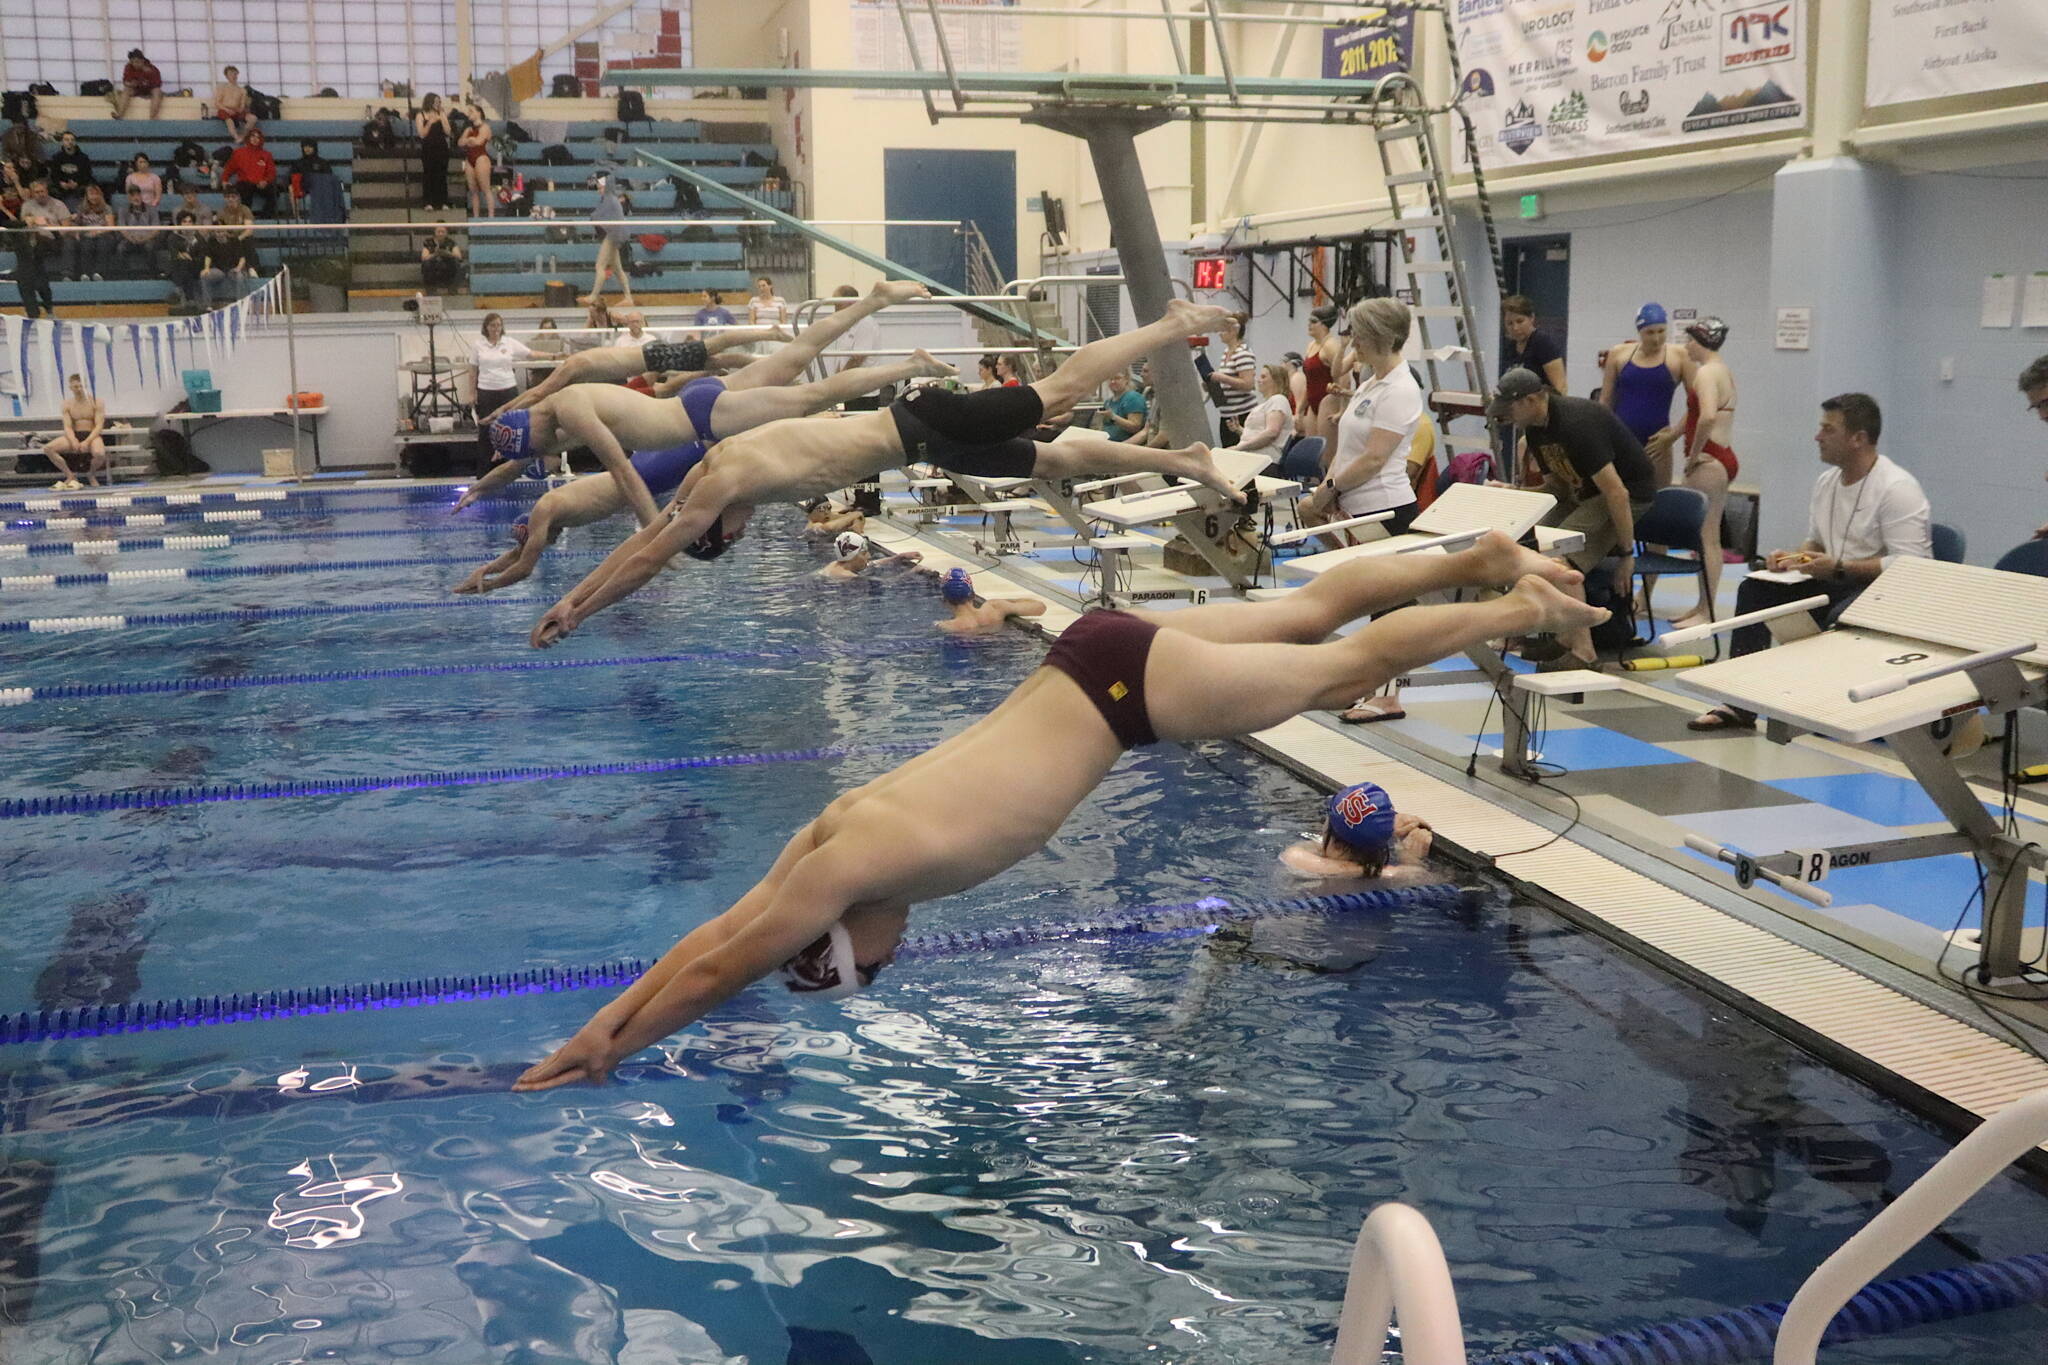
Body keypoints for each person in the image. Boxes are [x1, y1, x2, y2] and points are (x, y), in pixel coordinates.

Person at [510, 530, 1603, 1090]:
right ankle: (1481, 557)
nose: (893, 959)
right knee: (1311, 611)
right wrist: (604, 1026)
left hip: (1118, 694)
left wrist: (616, 1048)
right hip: (1092, 654)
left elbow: (724, 966)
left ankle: (1516, 600)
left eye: (874, 968)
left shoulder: (859, 868)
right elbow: (716, 937)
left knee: (1333, 669)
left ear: (848, 946)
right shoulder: (840, 835)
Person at [527, 299, 1249, 643]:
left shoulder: (721, 486)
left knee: (1057, 395)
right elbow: (644, 537)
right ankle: (1181, 459)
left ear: (719, 524)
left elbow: (653, 553)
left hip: (924, 423)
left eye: (732, 536)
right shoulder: (704, 480)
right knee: (1051, 460)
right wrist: (574, 600)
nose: (745, 532)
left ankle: (1167, 323)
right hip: (924, 442)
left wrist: (579, 610)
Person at [1690, 394, 1931, 732]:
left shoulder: (1897, 488)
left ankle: (1833, 707)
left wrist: (1838, 567)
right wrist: (1793, 559)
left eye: (1827, 430)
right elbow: (1815, 541)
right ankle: (1739, 703)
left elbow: (1910, 566)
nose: (1818, 437)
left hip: (1885, 592)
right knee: (1755, 589)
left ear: (1858, 439)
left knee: (1839, 615)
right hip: (1836, 577)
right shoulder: (1827, 482)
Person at [1296, 298, 1427, 721]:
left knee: (1392, 612)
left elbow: (1373, 459)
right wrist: (1327, 491)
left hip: (1387, 510)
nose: (1354, 345)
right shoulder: (1372, 382)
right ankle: (1374, 688)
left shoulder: (1402, 389)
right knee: (1376, 606)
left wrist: (1328, 491)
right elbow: (1348, 447)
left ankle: (1388, 697)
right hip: (1358, 507)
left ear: (1381, 339)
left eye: (1361, 338)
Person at [1490, 364, 1659, 673]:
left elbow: (1617, 493)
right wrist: (1514, 491)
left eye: (1508, 408)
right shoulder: (1536, 428)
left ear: (1531, 400)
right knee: (1526, 541)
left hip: (1629, 493)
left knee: (1560, 554)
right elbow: (1556, 487)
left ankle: (1583, 649)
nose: (1504, 416)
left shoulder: (1577, 423)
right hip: (1588, 494)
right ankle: (1559, 633)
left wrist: (1626, 556)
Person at [453, 441, 716, 594]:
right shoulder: (549, 517)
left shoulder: (545, 509)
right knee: (707, 443)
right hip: (644, 475)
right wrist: (484, 570)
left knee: (708, 441)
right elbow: (517, 555)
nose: (550, 545)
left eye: (542, 543)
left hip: (646, 474)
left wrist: (488, 586)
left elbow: (524, 567)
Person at [1668, 317, 1738, 629]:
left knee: (1708, 538)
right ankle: (1701, 605)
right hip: (1722, 457)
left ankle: (1706, 611)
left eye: (1690, 340)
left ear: (1701, 341)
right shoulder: (1721, 369)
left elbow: (1707, 416)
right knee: (1704, 538)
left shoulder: (1706, 373)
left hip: (1709, 460)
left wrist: (1694, 455)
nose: (1686, 347)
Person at [1600, 303, 1693, 487]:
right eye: (1650, 332)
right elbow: (1605, 401)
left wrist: (1673, 436)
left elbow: (1697, 405)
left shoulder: (1680, 356)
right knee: (1617, 497)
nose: (1657, 339)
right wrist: (1602, 438)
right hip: (1621, 439)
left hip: (1657, 442)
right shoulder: (1619, 354)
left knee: (1657, 498)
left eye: (1661, 331)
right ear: (1639, 331)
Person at [1279, 782, 1434, 884]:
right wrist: (1411, 861)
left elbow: (1294, 856)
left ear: (1337, 845)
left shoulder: (1302, 861)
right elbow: (1419, 876)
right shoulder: (1393, 875)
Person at [466, 313, 534, 459]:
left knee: (512, 428)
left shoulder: (509, 342)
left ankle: (511, 465)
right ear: (486, 327)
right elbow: (472, 371)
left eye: (498, 325)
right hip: (486, 392)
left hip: (508, 391)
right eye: (492, 325)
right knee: (486, 430)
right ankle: (485, 469)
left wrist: (554, 356)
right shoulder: (478, 345)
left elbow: (530, 354)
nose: (496, 328)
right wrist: (471, 393)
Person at [932, 566, 1046, 634]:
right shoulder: (995, 608)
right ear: (973, 594)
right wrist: (1008, 601)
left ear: (945, 600)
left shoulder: (946, 626)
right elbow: (1040, 607)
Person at [43, 374, 107, 490]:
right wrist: (73, 440)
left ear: (85, 386)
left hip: (92, 434)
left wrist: (87, 441)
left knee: (100, 453)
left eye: (81, 386)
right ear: (70, 388)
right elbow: (67, 426)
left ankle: (91, 474)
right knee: (48, 448)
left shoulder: (97, 402)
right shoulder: (67, 404)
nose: (78, 389)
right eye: (76, 387)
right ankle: (70, 475)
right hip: (75, 434)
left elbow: (99, 426)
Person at [585, 173, 634, 309]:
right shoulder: (609, 199)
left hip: (614, 235)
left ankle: (594, 295)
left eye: (600, 187)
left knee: (600, 266)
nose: (598, 190)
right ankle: (628, 297)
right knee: (617, 269)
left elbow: (596, 215)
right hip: (615, 234)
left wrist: (592, 217)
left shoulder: (610, 199)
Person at [1501, 295, 1565, 394]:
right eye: (1510, 323)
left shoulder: (1542, 342)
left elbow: (1560, 386)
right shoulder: (1510, 346)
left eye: (1520, 321)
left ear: (1531, 318)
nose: (1515, 328)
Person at [1301, 303, 1345, 448]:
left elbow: (1344, 377)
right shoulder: (1311, 346)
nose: (1309, 325)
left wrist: (1342, 410)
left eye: (1313, 322)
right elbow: (1309, 382)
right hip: (1313, 403)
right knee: (1310, 450)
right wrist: (1300, 409)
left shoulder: (1331, 346)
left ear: (1324, 325)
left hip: (1329, 402)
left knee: (1326, 453)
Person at [1229, 364, 1294, 459]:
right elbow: (1258, 433)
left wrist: (1239, 448)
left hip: (1264, 459)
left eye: (1263, 377)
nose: (1258, 380)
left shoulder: (1278, 400)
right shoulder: (1268, 403)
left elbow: (1272, 433)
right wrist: (1238, 429)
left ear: (1276, 381)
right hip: (1253, 455)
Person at [1213, 311, 1258, 445]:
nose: (1219, 333)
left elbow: (1248, 384)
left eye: (1222, 330)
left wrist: (1222, 378)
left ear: (1233, 331)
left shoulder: (1243, 354)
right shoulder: (1226, 353)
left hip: (1242, 415)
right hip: (1227, 414)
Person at [819, 530, 924, 582]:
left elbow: (871, 564)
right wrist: (912, 572)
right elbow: (887, 583)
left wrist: (899, 557)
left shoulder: (836, 564)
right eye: (864, 553)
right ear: (853, 556)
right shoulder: (848, 576)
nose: (869, 556)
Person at [222, 128, 278, 218]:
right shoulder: (239, 153)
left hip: (260, 183)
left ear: (261, 140)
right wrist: (224, 180)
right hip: (245, 183)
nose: (255, 139)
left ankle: (265, 217)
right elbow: (229, 168)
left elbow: (271, 173)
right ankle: (246, 218)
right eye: (253, 136)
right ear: (248, 137)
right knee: (245, 191)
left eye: (258, 137)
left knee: (274, 192)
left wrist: (265, 181)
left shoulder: (266, 155)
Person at [165, 210, 214, 308]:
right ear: (179, 223)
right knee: (184, 265)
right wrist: (182, 256)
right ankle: (190, 299)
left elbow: (203, 254)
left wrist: (187, 257)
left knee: (186, 264)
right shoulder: (173, 237)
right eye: (184, 221)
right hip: (179, 267)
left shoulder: (198, 237)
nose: (187, 224)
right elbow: (174, 253)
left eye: (190, 221)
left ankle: (178, 289)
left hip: (195, 266)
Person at [68, 184, 116, 282]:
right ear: (87, 196)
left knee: (102, 244)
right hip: (86, 234)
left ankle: (99, 273)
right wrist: (77, 232)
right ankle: (85, 273)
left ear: (100, 195)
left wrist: (97, 231)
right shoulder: (81, 208)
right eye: (91, 194)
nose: (94, 197)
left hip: (103, 233)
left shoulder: (106, 208)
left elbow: (111, 226)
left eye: (96, 194)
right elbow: (76, 224)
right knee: (86, 244)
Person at [457, 100, 494, 218]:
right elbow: (459, 143)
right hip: (470, 159)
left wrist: (468, 141)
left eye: (471, 111)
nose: (469, 114)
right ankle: (476, 217)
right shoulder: (468, 129)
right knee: (473, 191)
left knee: (486, 189)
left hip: (481, 158)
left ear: (479, 113)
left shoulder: (485, 127)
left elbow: (478, 142)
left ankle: (491, 216)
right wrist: (469, 141)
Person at [211, 188, 259, 278]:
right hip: (228, 238)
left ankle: (251, 268)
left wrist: (238, 239)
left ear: (238, 198)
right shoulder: (221, 212)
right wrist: (227, 236)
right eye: (228, 197)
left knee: (247, 240)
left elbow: (249, 230)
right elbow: (218, 228)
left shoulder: (245, 209)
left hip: (242, 238)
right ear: (225, 199)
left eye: (233, 197)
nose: (230, 199)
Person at [415, 95, 452, 211]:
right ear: (429, 102)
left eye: (439, 101)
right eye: (436, 101)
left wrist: (443, 117)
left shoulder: (441, 114)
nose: (438, 103)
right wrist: (430, 122)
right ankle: (428, 202)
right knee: (428, 174)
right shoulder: (420, 115)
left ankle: (443, 201)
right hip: (428, 148)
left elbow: (448, 131)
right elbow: (422, 134)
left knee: (441, 174)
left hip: (441, 147)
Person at [116, 186, 159, 276]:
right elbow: (121, 227)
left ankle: (152, 274)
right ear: (129, 197)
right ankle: (122, 274)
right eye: (133, 195)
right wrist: (131, 238)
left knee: (150, 247)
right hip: (129, 239)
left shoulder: (152, 209)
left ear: (141, 195)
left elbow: (156, 229)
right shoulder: (123, 210)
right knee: (120, 248)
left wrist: (145, 238)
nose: (136, 198)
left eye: (138, 195)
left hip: (147, 238)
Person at [112, 48, 164, 120]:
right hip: (136, 89)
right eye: (133, 62)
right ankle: (120, 114)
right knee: (126, 90)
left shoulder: (152, 69)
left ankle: (153, 116)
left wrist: (145, 80)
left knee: (157, 91)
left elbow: (157, 84)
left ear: (143, 61)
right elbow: (125, 81)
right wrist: (131, 84)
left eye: (137, 62)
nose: (135, 64)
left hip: (149, 89)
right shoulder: (128, 67)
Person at [46, 131, 93, 208]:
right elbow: (54, 174)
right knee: (50, 190)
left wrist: (77, 183)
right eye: (67, 140)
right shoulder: (56, 157)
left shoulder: (83, 158)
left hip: (79, 185)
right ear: (62, 142)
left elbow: (87, 174)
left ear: (75, 142)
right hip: (62, 186)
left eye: (72, 139)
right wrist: (61, 183)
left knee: (89, 189)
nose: (70, 142)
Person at [210, 66, 257, 142]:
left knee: (253, 118)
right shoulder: (222, 87)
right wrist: (227, 110)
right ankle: (236, 137)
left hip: (237, 111)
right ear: (226, 76)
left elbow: (242, 105)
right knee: (229, 121)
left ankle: (243, 136)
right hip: (225, 110)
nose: (233, 76)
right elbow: (217, 103)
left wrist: (239, 110)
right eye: (231, 74)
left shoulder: (242, 90)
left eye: (235, 74)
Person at [1101, 367, 1148, 442]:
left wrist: (1113, 416)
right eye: (1110, 379)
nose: (1113, 382)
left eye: (1117, 378)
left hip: (1125, 446)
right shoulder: (1108, 402)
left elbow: (1135, 427)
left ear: (1126, 379)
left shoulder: (1133, 398)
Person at [419, 222, 464, 292]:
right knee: (427, 264)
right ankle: (431, 290)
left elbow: (459, 257)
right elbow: (424, 258)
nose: (440, 234)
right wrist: (435, 254)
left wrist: (448, 253)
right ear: (435, 232)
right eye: (438, 232)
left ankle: (452, 289)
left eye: (443, 232)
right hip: (433, 269)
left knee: (455, 263)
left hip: (447, 270)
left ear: (446, 233)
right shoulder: (428, 242)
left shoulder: (451, 242)